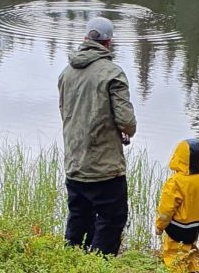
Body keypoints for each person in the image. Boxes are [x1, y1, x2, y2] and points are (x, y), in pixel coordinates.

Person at [58, 16, 137, 256]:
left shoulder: (66, 73)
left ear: (86, 38)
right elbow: (127, 123)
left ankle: (71, 263)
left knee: (78, 221)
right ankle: (99, 266)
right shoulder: (112, 74)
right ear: (108, 42)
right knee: (111, 221)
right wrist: (124, 132)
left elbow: (66, 114)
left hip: (74, 165)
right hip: (104, 169)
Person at [155, 139, 199, 273]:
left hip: (177, 227)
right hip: (195, 227)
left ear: (178, 157)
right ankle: (194, 269)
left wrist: (159, 226)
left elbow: (166, 210)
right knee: (189, 248)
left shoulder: (175, 182)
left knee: (174, 254)